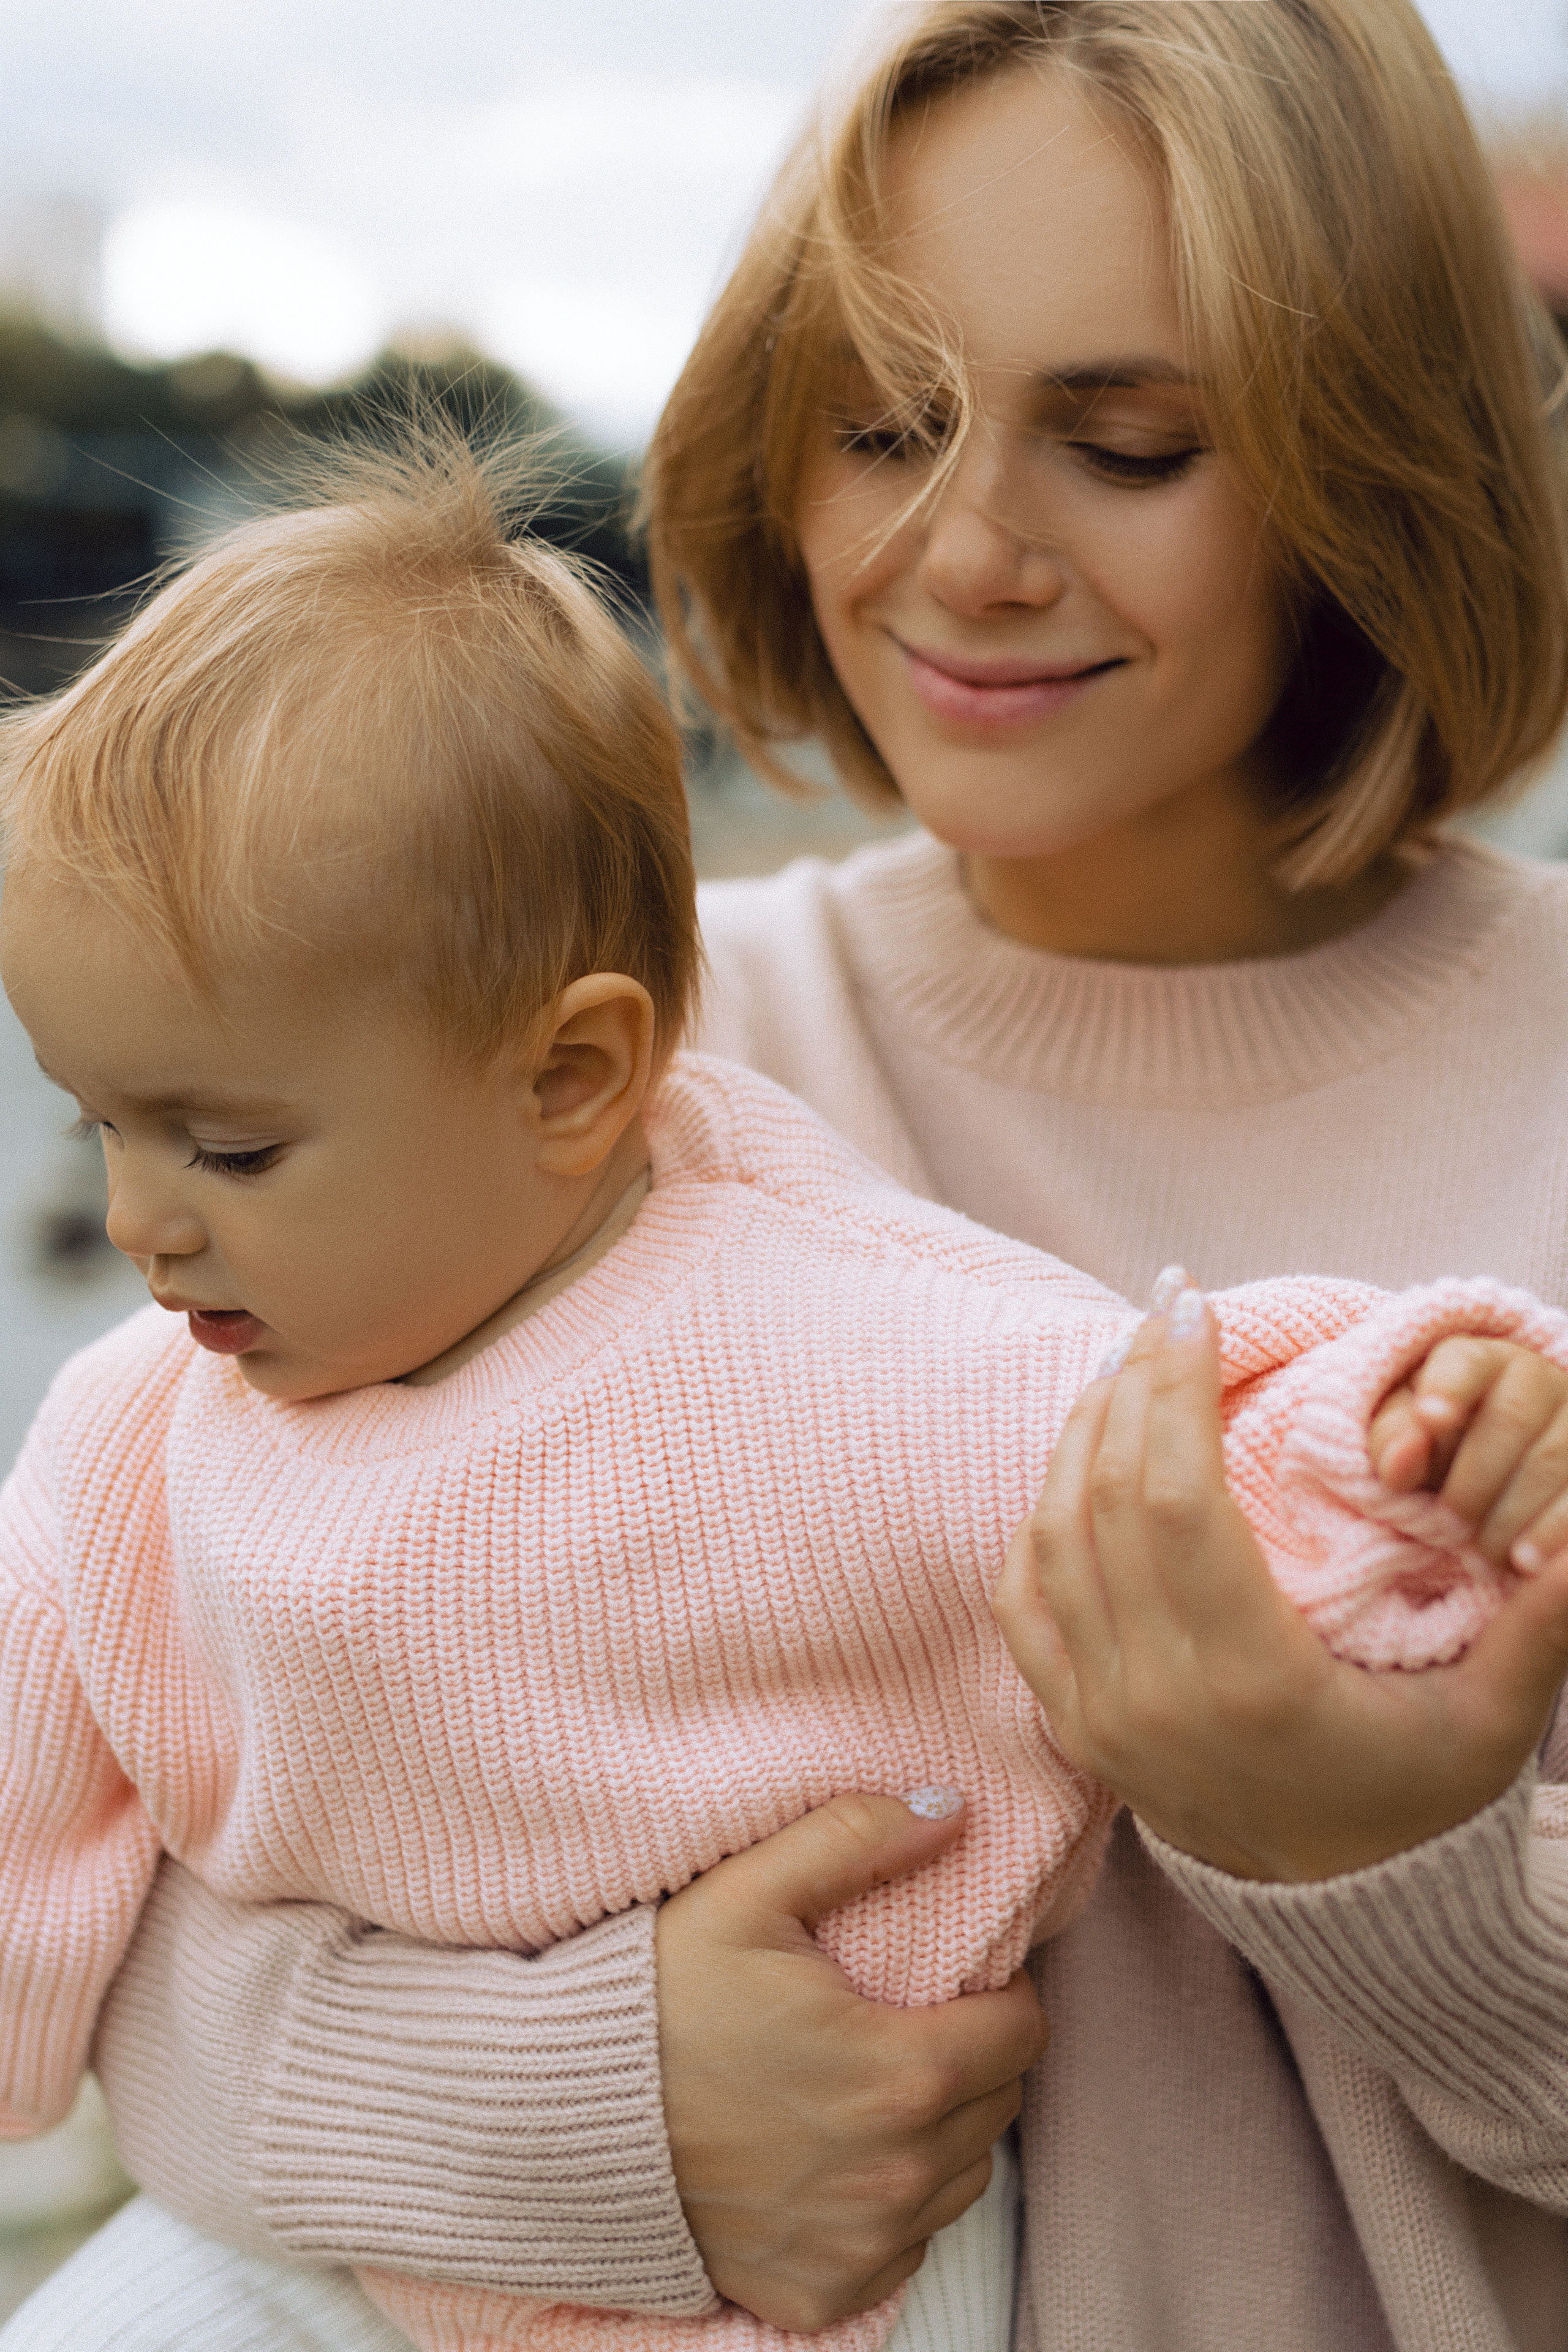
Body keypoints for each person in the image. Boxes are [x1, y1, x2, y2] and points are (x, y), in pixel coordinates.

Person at [26, 2, 1568, 2349]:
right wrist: (603, 2113)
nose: (967, 551)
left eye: (1129, 443)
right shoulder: (552, 1056)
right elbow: (147, 1831)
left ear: (1381, 459)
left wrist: (1370, 1858)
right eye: (882, 424)